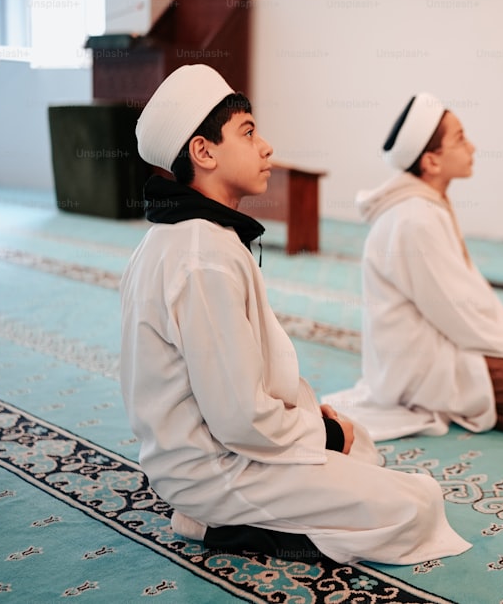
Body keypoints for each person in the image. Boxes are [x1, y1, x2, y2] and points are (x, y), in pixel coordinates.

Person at [119, 65, 470, 565]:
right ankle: (219, 523)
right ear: (204, 151)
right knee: (415, 506)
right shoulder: (201, 256)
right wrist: (321, 434)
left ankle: (262, 503)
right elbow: (238, 418)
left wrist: (313, 421)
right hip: (212, 469)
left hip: (225, 447)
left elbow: (243, 384)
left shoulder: (192, 236)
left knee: (363, 447)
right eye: (247, 132)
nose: (266, 146)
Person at [322, 92, 503, 440]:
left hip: (452, 338)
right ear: (431, 161)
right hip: (429, 363)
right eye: (460, 139)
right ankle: (466, 407)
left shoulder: (428, 204)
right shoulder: (414, 219)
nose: (472, 148)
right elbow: (457, 316)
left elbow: (464, 301)